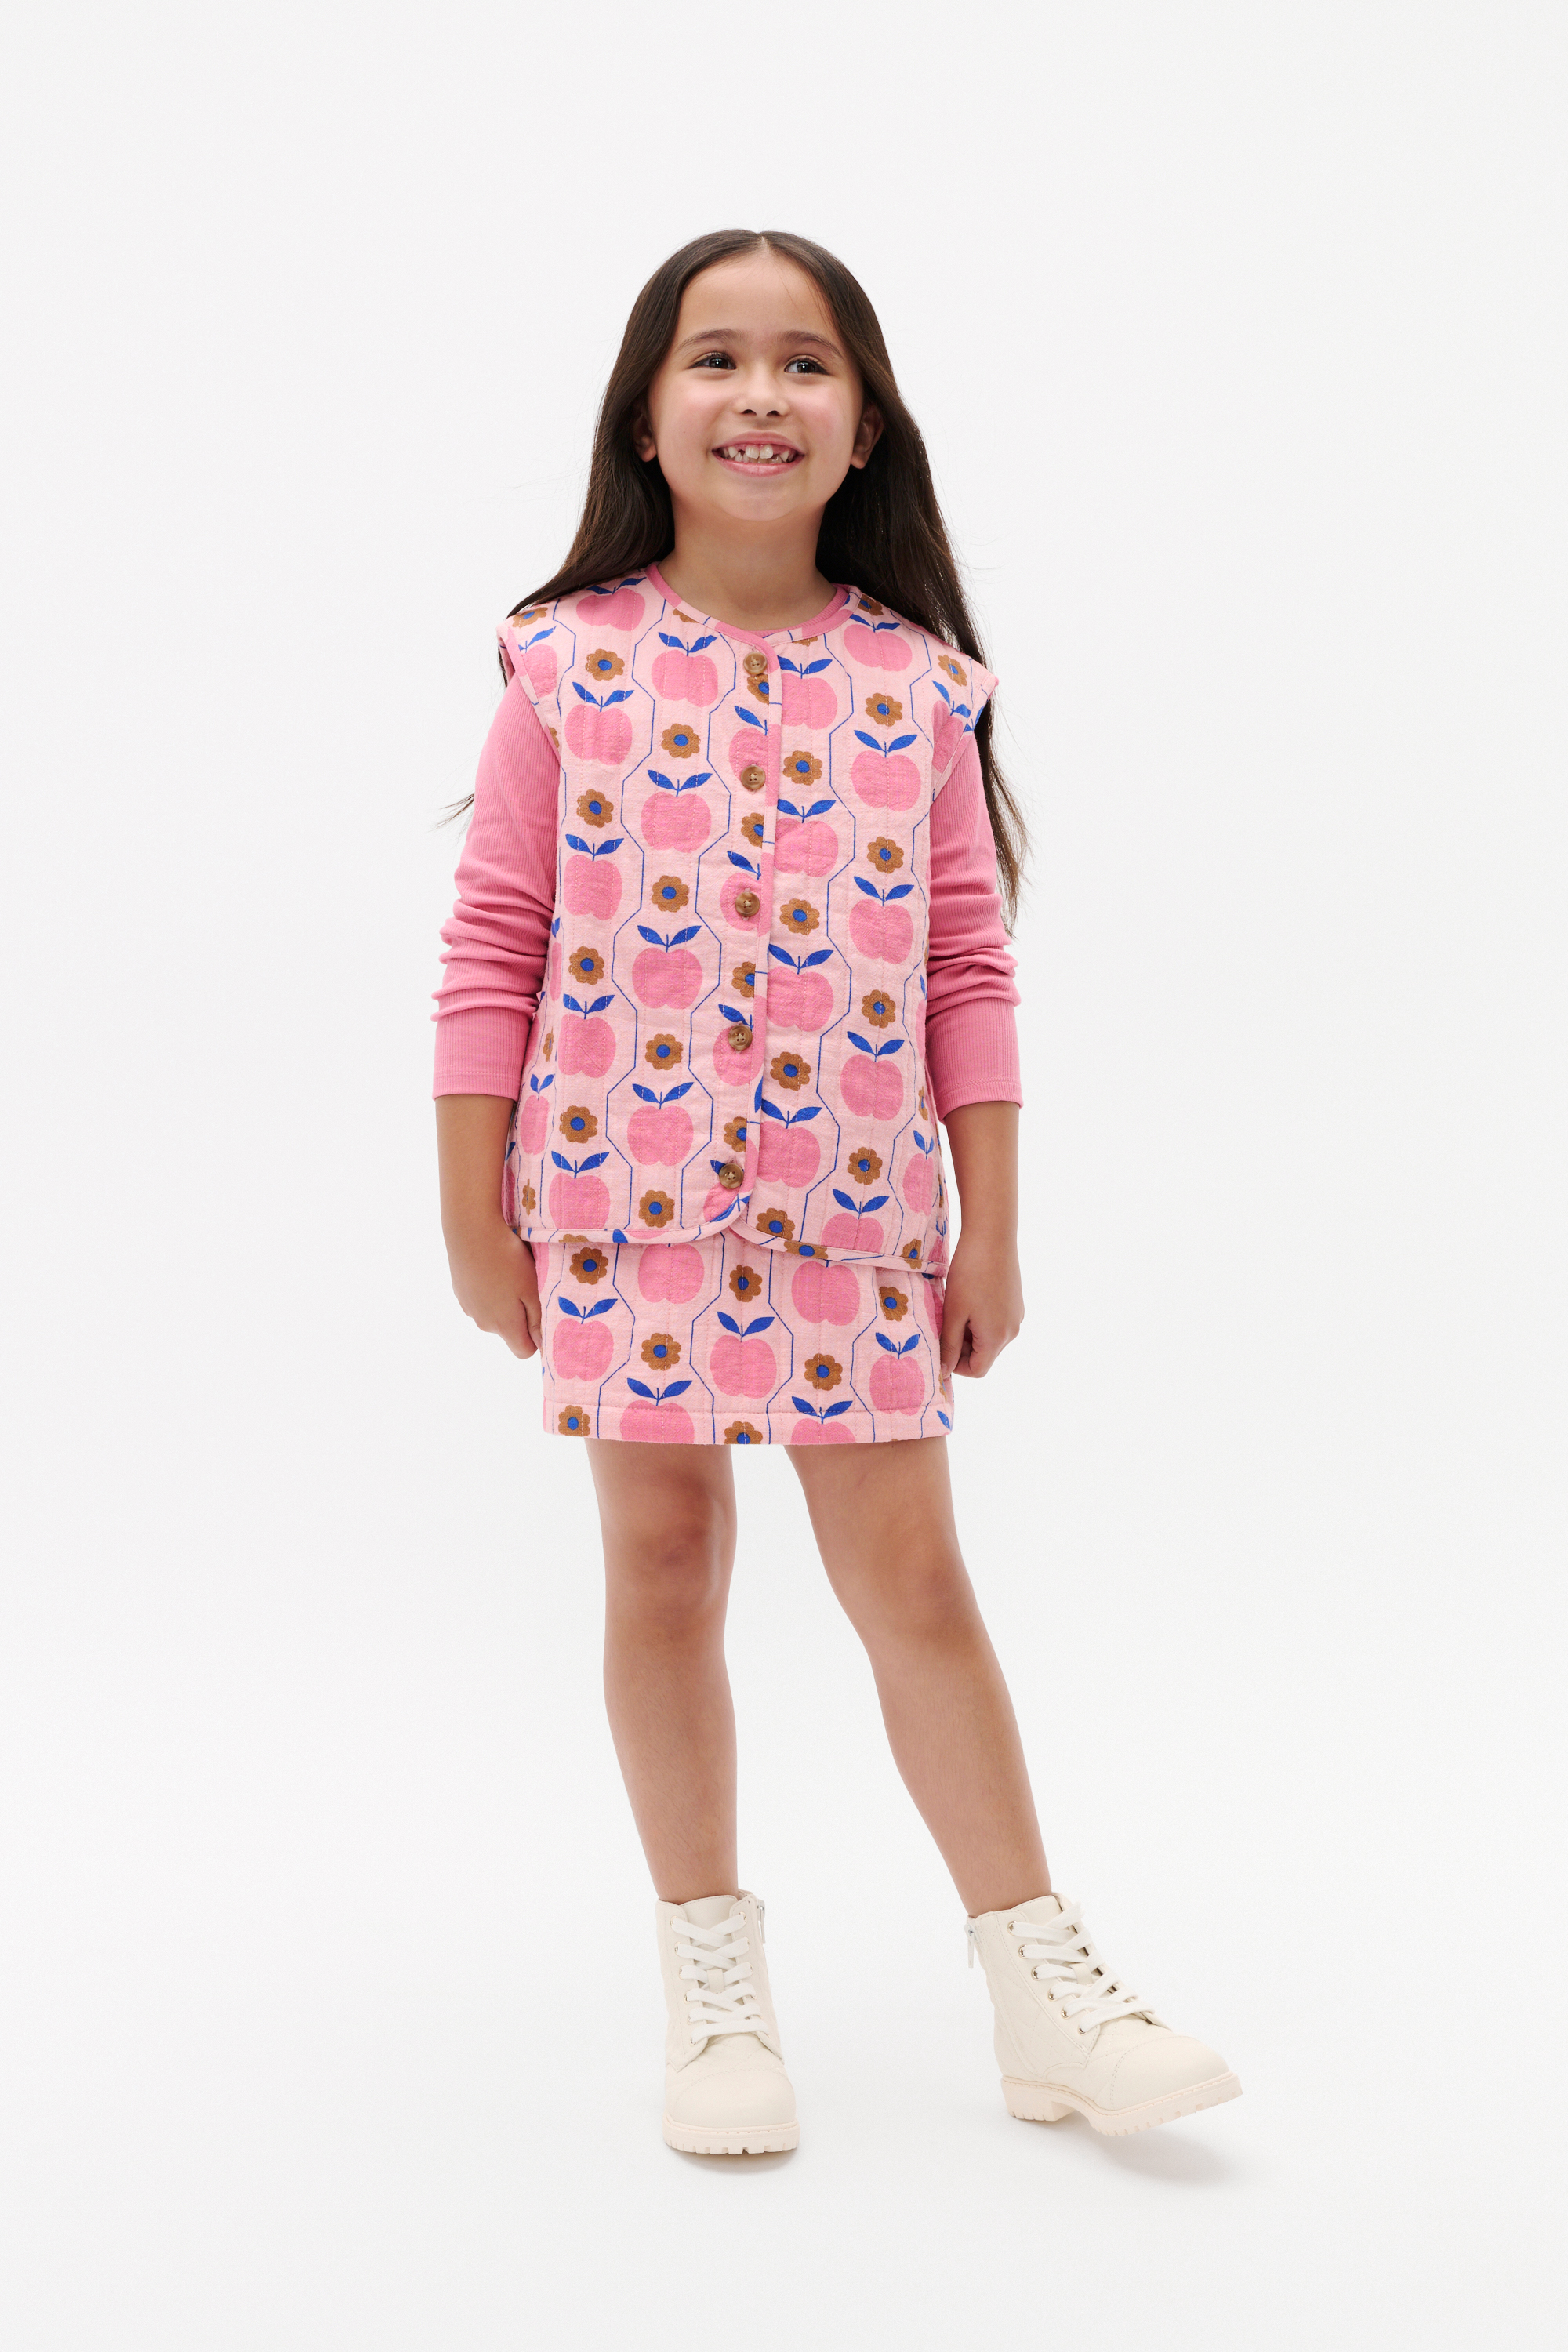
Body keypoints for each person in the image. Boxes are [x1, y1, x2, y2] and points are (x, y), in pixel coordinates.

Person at [431, 229, 1240, 2155]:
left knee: (914, 1582)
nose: (760, 395)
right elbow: (494, 939)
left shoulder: (915, 691)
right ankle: (714, 1991)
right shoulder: (564, 664)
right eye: (714, 358)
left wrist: (994, 1222)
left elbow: (967, 966)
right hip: (616, 1199)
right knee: (660, 1567)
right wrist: (472, 1210)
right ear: (647, 413)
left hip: (856, 1211)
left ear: (864, 426)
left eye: (805, 364)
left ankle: (1040, 1986)